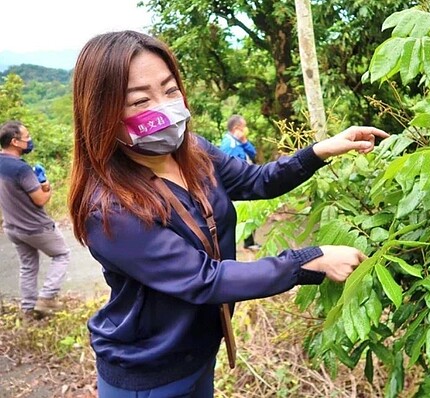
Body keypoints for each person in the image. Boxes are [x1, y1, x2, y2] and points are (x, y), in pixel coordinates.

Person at [69, 30, 389, 397]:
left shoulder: (192, 151)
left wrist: (319, 151)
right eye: (140, 101)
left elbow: (258, 181)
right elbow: (205, 280)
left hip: (201, 350)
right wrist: (309, 261)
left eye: (170, 90)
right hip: (149, 371)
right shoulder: (109, 208)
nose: (164, 108)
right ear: (102, 112)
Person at [0, 120, 70, 317]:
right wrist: (47, 187)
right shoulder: (21, 169)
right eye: (26, 137)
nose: (29, 141)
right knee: (62, 255)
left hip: (13, 228)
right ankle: (47, 297)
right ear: (15, 141)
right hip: (35, 227)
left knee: (28, 266)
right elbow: (40, 199)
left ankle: (28, 310)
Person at [220, 115, 260, 250]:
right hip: (238, 187)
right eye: (244, 127)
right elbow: (233, 170)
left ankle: (250, 242)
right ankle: (248, 242)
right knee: (245, 215)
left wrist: (244, 141)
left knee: (249, 214)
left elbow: (253, 153)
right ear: (237, 128)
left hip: (245, 183)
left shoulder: (237, 142)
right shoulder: (230, 145)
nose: (246, 130)